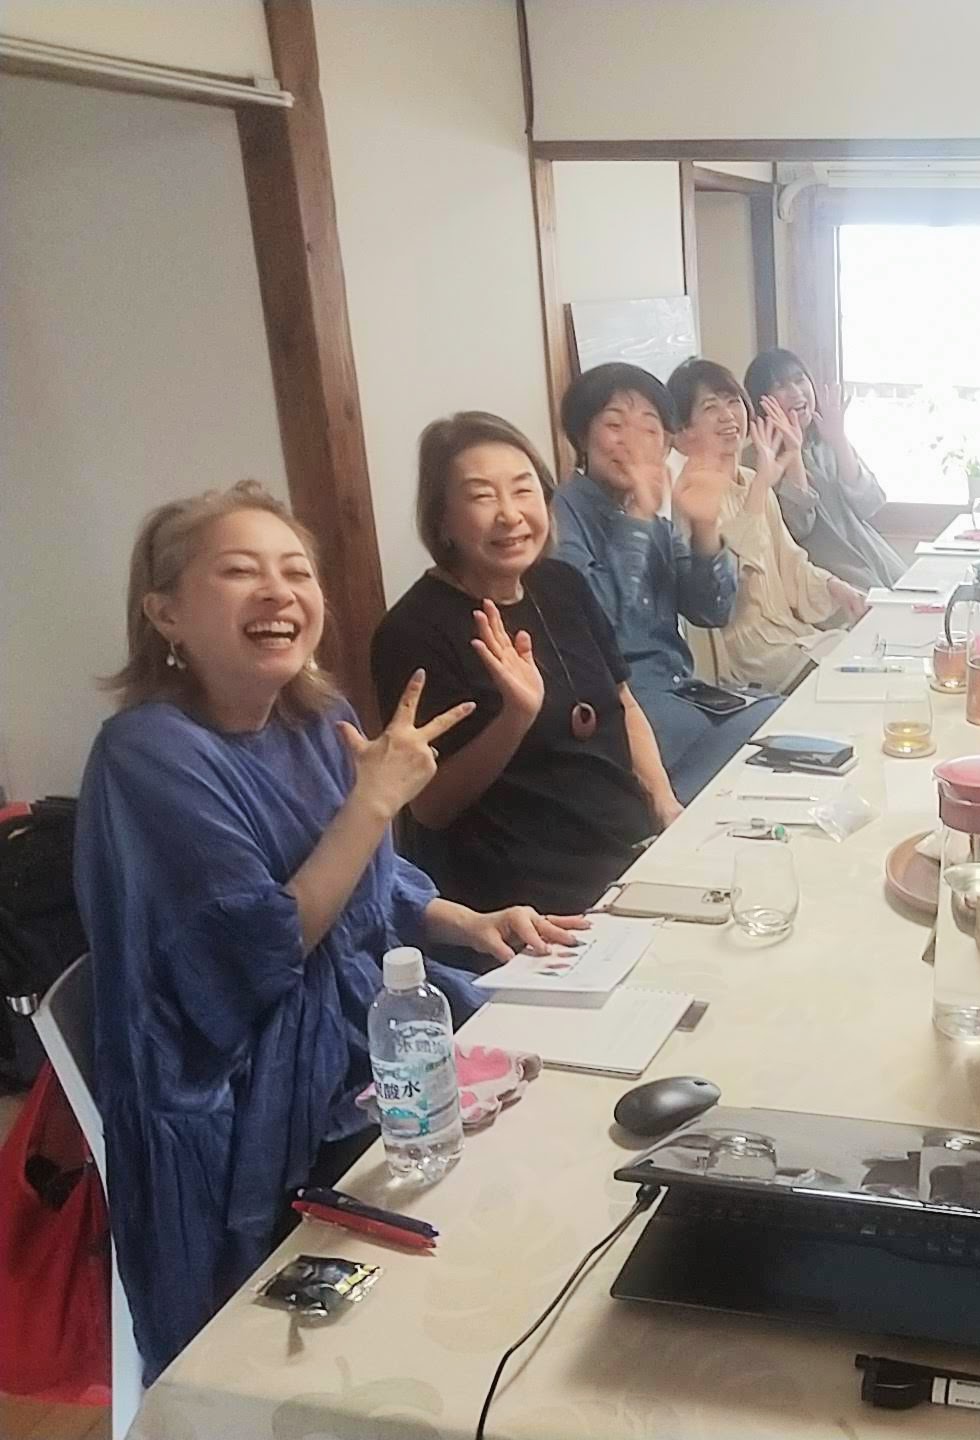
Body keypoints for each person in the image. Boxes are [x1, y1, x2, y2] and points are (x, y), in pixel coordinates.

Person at [74, 482, 585, 1379]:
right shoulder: (147, 753)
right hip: (241, 1099)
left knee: (563, 1123)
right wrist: (375, 800)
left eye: (296, 571)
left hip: (364, 1041)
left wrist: (472, 920)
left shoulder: (321, 720)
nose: (279, 592)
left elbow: (375, 887)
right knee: (475, 1219)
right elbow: (256, 957)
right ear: (166, 614)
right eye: (240, 572)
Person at [371, 412, 677, 918]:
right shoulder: (411, 631)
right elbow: (430, 808)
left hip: (627, 855)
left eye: (522, 490)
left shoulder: (561, 585)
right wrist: (514, 718)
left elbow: (622, 701)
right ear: (442, 519)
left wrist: (664, 803)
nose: (510, 514)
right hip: (524, 898)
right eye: (482, 496)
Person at [550, 362, 778, 801]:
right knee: (757, 763)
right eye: (615, 425)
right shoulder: (561, 515)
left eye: (650, 429)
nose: (633, 443)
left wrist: (706, 529)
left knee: (781, 721)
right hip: (621, 712)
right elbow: (598, 624)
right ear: (581, 436)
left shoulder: (654, 520)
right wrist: (637, 519)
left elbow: (712, 610)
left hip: (682, 696)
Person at [666, 358, 867, 691]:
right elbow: (730, 581)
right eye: (710, 407)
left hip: (791, 636)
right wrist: (762, 484)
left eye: (733, 401)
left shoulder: (749, 478)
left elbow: (791, 565)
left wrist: (837, 587)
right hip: (749, 652)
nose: (728, 415)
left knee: (869, 655)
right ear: (683, 433)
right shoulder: (692, 495)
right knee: (852, 676)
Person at [742, 347, 905, 592]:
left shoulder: (823, 439)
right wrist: (792, 452)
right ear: (762, 402)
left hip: (882, 569)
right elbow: (798, 528)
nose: (796, 392)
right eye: (781, 386)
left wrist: (839, 439)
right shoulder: (757, 458)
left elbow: (870, 503)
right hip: (833, 589)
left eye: (800, 380)